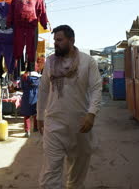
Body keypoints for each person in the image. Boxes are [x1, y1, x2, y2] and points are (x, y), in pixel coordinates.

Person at [37, 25, 102, 189]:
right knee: (50, 175)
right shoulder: (50, 63)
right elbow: (43, 90)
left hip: (80, 125)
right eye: (55, 40)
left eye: (59, 40)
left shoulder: (87, 62)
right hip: (54, 125)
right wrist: (39, 116)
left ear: (71, 40)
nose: (56, 43)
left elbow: (96, 88)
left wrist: (92, 113)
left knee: (76, 177)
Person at [20, 71, 41, 137]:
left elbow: (22, 87)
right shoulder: (38, 79)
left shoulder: (24, 78)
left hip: (26, 97)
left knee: (26, 115)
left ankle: (27, 131)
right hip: (36, 97)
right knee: (35, 113)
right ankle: (35, 128)